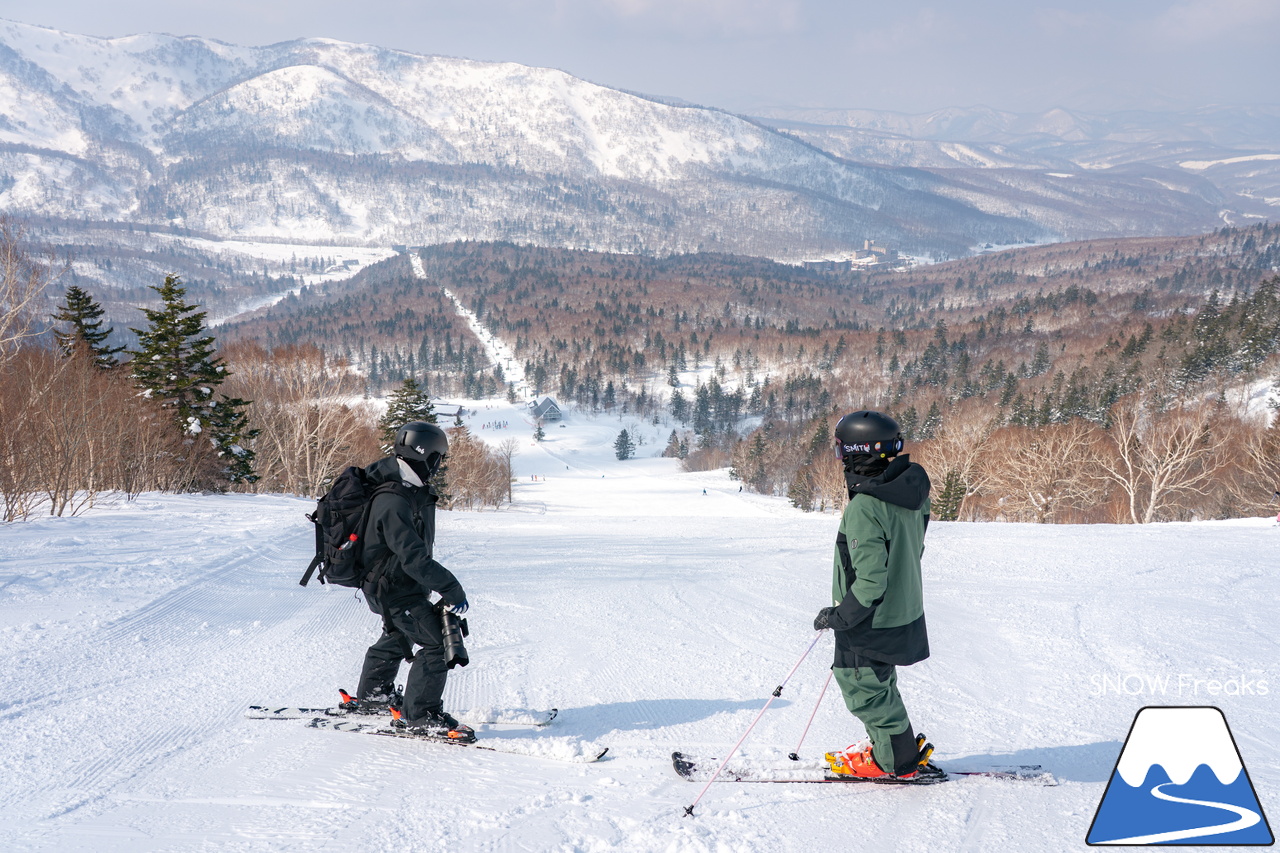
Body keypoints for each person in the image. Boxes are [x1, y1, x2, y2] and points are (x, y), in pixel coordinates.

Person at [813, 410, 933, 780]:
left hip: (871, 617)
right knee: (879, 681)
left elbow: (869, 583)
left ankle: (895, 762)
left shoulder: (866, 506)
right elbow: (912, 550)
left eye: (841, 452)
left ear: (856, 453)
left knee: (862, 684)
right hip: (903, 610)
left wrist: (839, 617)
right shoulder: (910, 492)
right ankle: (893, 746)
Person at [351, 421, 471, 736]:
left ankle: (374, 695)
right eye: (438, 457)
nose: (439, 464)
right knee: (435, 643)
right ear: (425, 454)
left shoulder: (406, 489)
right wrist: (452, 588)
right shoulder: (394, 499)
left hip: (395, 586)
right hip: (393, 590)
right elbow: (413, 557)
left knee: (400, 633)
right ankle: (420, 715)